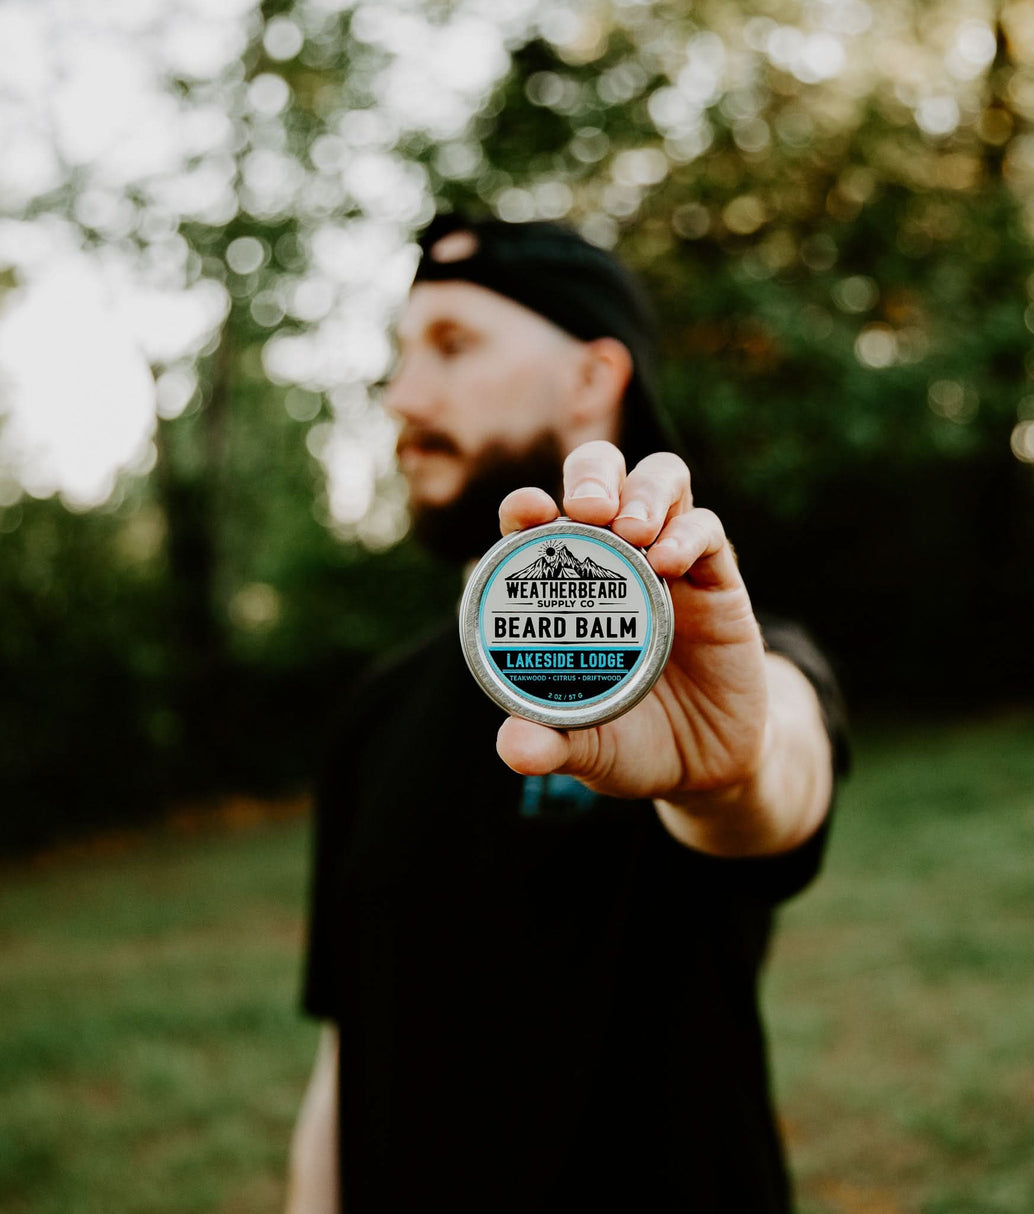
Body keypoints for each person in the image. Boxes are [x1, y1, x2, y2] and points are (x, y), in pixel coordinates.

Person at [285, 213, 850, 1213]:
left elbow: (779, 772)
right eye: (400, 354)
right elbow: (347, 1052)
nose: (402, 395)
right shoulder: (372, 714)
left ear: (592, 378)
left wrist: (729, 767)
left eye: (453, 345)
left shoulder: (717, 662)